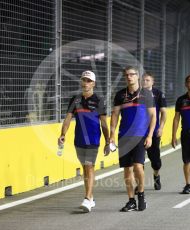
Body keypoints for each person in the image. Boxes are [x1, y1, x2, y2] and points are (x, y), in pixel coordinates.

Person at [58, 70, 110, 213]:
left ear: (93, 83)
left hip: (93, 139)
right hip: (79, 139)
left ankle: (87, 198)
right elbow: (68, 118)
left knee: (89, 167)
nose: (86, 83)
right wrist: (63, 134)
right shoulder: (75, 99)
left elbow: (104, 123)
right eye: (84, 80)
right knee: (85, 168)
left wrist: (108, 141)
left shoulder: (99, 100)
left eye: (88, 80)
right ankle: (91, 198)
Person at [110, 66, 156, 212]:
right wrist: (111, 134)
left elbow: (153, 116)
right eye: (126, 75)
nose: (129, 77)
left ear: (137, 77)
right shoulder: (119, 95)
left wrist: (149, 136)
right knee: (127, 170)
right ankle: (131, 201)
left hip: (140, 136)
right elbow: (115, 116)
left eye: (132, 74)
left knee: (138, 166)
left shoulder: (146, 94)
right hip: (124, 136)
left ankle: (141, 194)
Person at [142, 73, 167, 190]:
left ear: (153, 82)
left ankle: (156, 176)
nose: (145, 82)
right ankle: (140, 184)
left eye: (148, 80)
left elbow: (164, 113)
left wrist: (161, 128)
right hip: (139, 132)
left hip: (153, 132)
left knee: (155, 161)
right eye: (143, 80)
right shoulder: (137, 94)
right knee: (138, 161)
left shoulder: (158, 94)